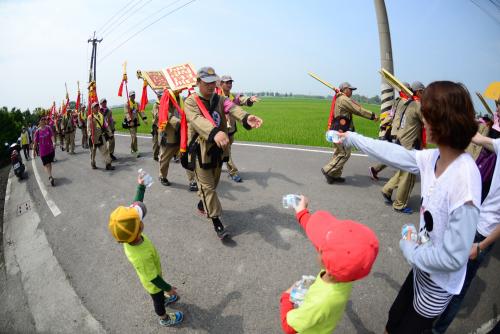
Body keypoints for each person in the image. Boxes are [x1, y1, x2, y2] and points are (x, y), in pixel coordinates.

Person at [339, 81, 481, 334]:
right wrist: (351, 138)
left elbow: (453, 258)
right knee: (393, 320)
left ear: (441, 119)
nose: (423, 122)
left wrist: (410, 249)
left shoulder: (465, 179)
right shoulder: (434, 157)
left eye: (426, 114)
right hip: (421, 264)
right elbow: (392, 153)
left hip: (438, 282)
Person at [432, 131, 500, 334]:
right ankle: (430, 318)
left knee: (459, 286)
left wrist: (481, 246)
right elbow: (478, 137)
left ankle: (438, 329)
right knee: (445, 273)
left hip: (484, 233)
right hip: (473, 221)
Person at [183, 66, 263, 239]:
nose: (211, 86)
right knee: (208, 188)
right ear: (198, 82)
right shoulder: (190, 102)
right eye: (207, 82)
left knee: (214, 183)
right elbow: (196, 120)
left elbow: (232, 108)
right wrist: (214, 132)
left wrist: (246, 117)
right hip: (201, 150)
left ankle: (202, 203)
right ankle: (216, 221)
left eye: (213, 82)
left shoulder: (219, 99)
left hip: (219, 150)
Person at [280, 196, 379, 334]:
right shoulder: (349, 272)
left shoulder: (320, 302)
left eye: (321, 248)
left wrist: (286, 297)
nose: (319, 246)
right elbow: (323, 243)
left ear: (324, 258)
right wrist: (302, 211)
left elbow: (289, 328)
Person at [108, 176, 184, 327]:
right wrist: (168, 288)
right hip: (153, 284)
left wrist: (140, 188)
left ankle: (164, 298)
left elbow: (136, 207)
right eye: (139, 220)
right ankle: (164, 318)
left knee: (160, 294)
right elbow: (154, 278)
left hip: (153, 272)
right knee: (157, 300)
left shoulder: (128, 236)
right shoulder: (141, 256)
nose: (140, 218)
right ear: (139, 229)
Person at [381, 81, 425, 214]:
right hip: (409, 144)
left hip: (401, 140)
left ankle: (387, 189)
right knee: (408, 175)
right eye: (423, 91)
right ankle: (399, 204)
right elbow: (428, 121)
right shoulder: (417, 105)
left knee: (402, 171)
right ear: (418, 92)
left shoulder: (407, 102)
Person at [321, 82, 379, 183]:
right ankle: (328, 170)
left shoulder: (339, 98)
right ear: (345, 89)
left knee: (338, 153)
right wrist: (372, 115)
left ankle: (335, 175)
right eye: (350, 89)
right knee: (344, 153)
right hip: (340, 131)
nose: (352, 91)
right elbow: (358, 110)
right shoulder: (344, 99)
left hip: (337, 130)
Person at [220, 75, 259, 183]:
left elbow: (241, 99)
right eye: (227, 82)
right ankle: (233, 172)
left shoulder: (232, 97)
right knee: (226, 150)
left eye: (230, 82)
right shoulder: (216, 97)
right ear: (220, 84)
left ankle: (220, 161)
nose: (229, 84)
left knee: (225, 150)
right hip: (220, 130)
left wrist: (249, 99)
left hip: (231, 128)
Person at [369, 82, 411, 180]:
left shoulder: (397, 101)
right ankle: (399, 178)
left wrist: (383, 123)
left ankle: (376, 170)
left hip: (395, 133)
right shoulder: (407, 102)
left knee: (395, 155)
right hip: (399, 134)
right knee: (397, 156)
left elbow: (391, 115)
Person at [157, 90, 181, 186]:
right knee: (165, 160)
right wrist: (184, 121)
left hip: (178, 136)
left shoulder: (177, 105)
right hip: (168, 138)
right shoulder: (163, 108)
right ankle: (162, 176)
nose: (176, 97)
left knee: (187, 158)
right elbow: (172, 119)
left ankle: (192, 181)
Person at [87, 102, 115, 170]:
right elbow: (88, 128)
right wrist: (90, 135)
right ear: (92, 109)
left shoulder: (101, 115)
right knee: (93, 153)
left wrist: (110, 134)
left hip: (101, 136)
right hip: (93, 137)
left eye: (97, 106)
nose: (97, 108)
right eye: (95, 107)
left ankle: (108, 164)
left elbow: (105, 125)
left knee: (105, 150)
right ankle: (93, 163)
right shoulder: (90, 117)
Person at [33, 117, 56, 186]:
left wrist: (54, 142)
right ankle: (50, 176)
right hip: (43, 151)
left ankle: (50, 175)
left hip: (50, 149)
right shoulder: (37, 131)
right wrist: (34, 151)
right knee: (46, 164)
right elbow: (35, 142)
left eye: (44, 120)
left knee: (49, 163)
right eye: (41, 120)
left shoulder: (48, 128)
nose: (43, 121)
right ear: (39, 122)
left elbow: (52, 136)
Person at [125, 91, 147, 157]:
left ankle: (133, 149)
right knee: (134, 137)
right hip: (130, 123)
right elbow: (126, 113)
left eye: (134, 95)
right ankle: (135, 150)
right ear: (129, 96)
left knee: (134, 137)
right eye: (132, 95)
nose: (133, 96)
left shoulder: (137, 103)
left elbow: (140, 111)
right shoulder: (127, 104)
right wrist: (130, 120)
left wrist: (144, 119)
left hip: (136, 122)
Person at [151, 93, 161, 161]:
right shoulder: (156, 105)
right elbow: (156, 115)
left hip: (162, 125)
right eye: (161, 96)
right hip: (156, 126)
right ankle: (155, 155)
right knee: (156, 142)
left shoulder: (163, 103)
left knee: (162, 142)